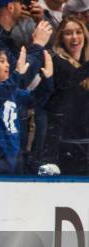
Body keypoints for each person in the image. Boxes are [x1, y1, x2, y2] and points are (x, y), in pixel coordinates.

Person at [0, 46, 54, 173]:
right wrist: (17, 74)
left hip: (14, 159)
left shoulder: (14, 93)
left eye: (8, 61)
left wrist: (47, 79)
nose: (7, 65)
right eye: (1, 61)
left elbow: (35, 99)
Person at [42, 15, 89, 175]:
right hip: (65, 144)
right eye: (68, 33)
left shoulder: (84, 63)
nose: (75, 37)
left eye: (78, 32)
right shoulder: (56, 61)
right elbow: (67, 85)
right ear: (61, 38)